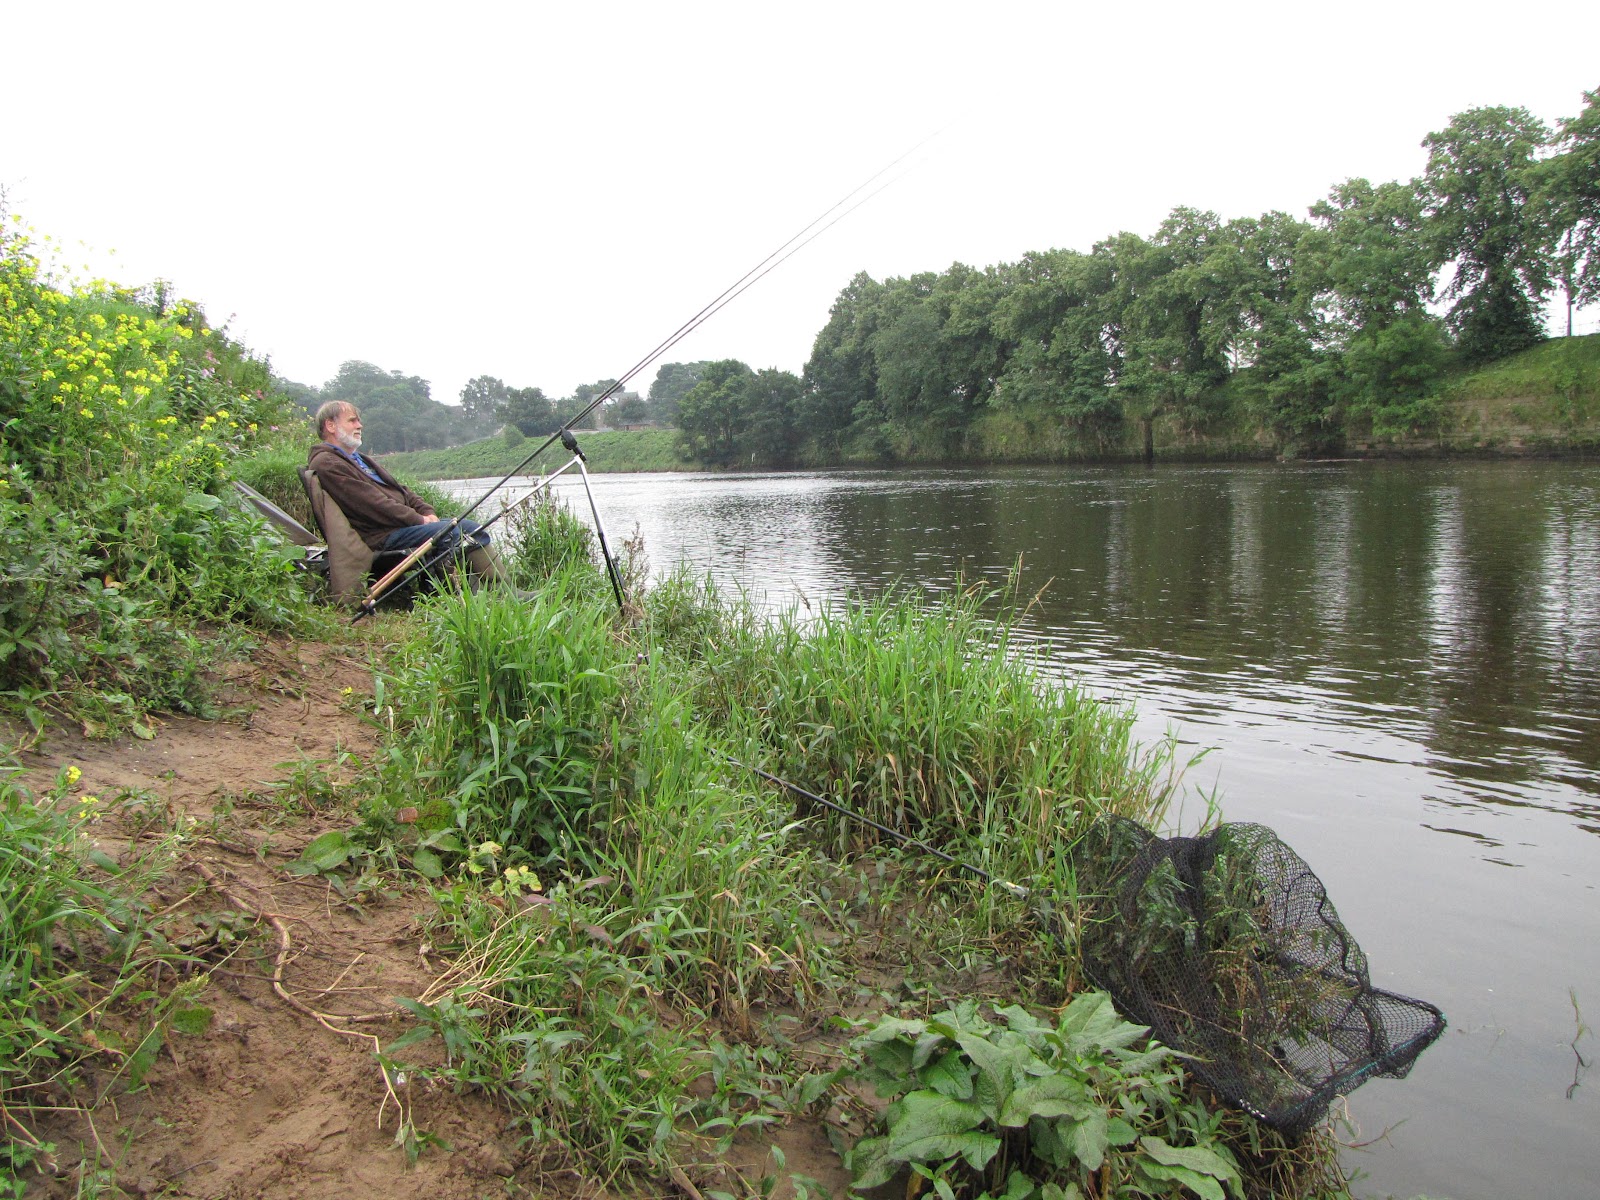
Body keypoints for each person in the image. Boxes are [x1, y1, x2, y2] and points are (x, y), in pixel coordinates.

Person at [308, 400, 509, 588]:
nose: (359, 425)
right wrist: (418, 520)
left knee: (471, 528)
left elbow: (401, 490)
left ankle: (503, 588)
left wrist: (426, 511)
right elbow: (373, 504)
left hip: (399, 527)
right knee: (450, 533)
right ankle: (451, 594)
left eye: (358, 420)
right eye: (352, 420)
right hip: (380, 536)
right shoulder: (327, 462)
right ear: (330, 426)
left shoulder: (359, 459)